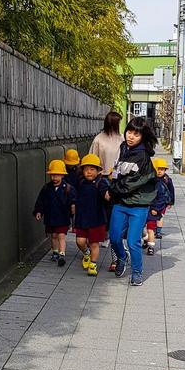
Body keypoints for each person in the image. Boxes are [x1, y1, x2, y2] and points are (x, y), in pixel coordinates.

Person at [107, 117, 157, 287]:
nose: (131, 136)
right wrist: (111, 184)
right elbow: (117, 172)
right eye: (129, 132)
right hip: (121, 202)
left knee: (133, 241)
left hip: (138, 205)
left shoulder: (142, 156)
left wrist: (111, 189)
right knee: (114, 237)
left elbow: (130, 183)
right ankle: (122, 257)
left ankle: (137, 272)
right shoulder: (124, 148)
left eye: (136, 134)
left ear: (143, 136)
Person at [90, 111, 124, 268]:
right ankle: (100, 237)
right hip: (102, 178)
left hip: (117, 180)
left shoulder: (122, 138)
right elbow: (92, 159)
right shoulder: (99, 139)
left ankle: (111, 241)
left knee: (113, 213)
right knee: (100, 210)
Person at [33, 160, 76, 266]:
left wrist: (73, 206)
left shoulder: (68, 188)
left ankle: (62, 254)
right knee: (54, 235)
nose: (54, 178)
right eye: (52, 175)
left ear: (62, 175)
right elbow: (41, 200)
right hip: (51, 216)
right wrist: (38, 211)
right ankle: (55, 251)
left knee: (61, 235)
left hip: (63, 216)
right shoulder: (47, 188)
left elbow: (74, 200)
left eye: (57, 175)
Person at [73, 154, 109, 277]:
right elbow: (75, 195)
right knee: (80, 241)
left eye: (92, 169)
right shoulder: (80, 182)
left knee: (94, 243)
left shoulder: (101, 182)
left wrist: (108, 195)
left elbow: (106, 194)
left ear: (99, 171)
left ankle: (93, 264)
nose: (89, 172)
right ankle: (86, 253)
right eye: (86, 169)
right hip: (82, 218)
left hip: (97, 219)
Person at [144, 158, 174, 254]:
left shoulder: (165, 181)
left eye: (162, 169)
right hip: (145, 208)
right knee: (143, 228)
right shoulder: (149, 180)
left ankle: (151, 246)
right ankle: (146, 239)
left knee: (150, 229)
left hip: (155, 208)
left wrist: (169, 202)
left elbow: (169, 192)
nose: (160, 171)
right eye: (158, 169)